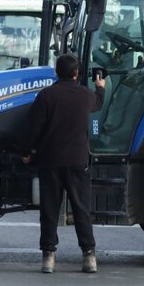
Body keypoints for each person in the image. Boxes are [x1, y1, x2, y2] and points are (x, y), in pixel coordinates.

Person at [26, 53, 105, 274]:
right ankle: (89, 257)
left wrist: (27, 152)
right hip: (78, 161)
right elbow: (98, 103)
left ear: (56, 72)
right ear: (76, 73)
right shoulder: (85, 95)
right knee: (81, 210)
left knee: (49, 210)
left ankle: (48, 257)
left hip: (50, 161)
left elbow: (34, 128)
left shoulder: (46, 96)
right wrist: (100, 87)